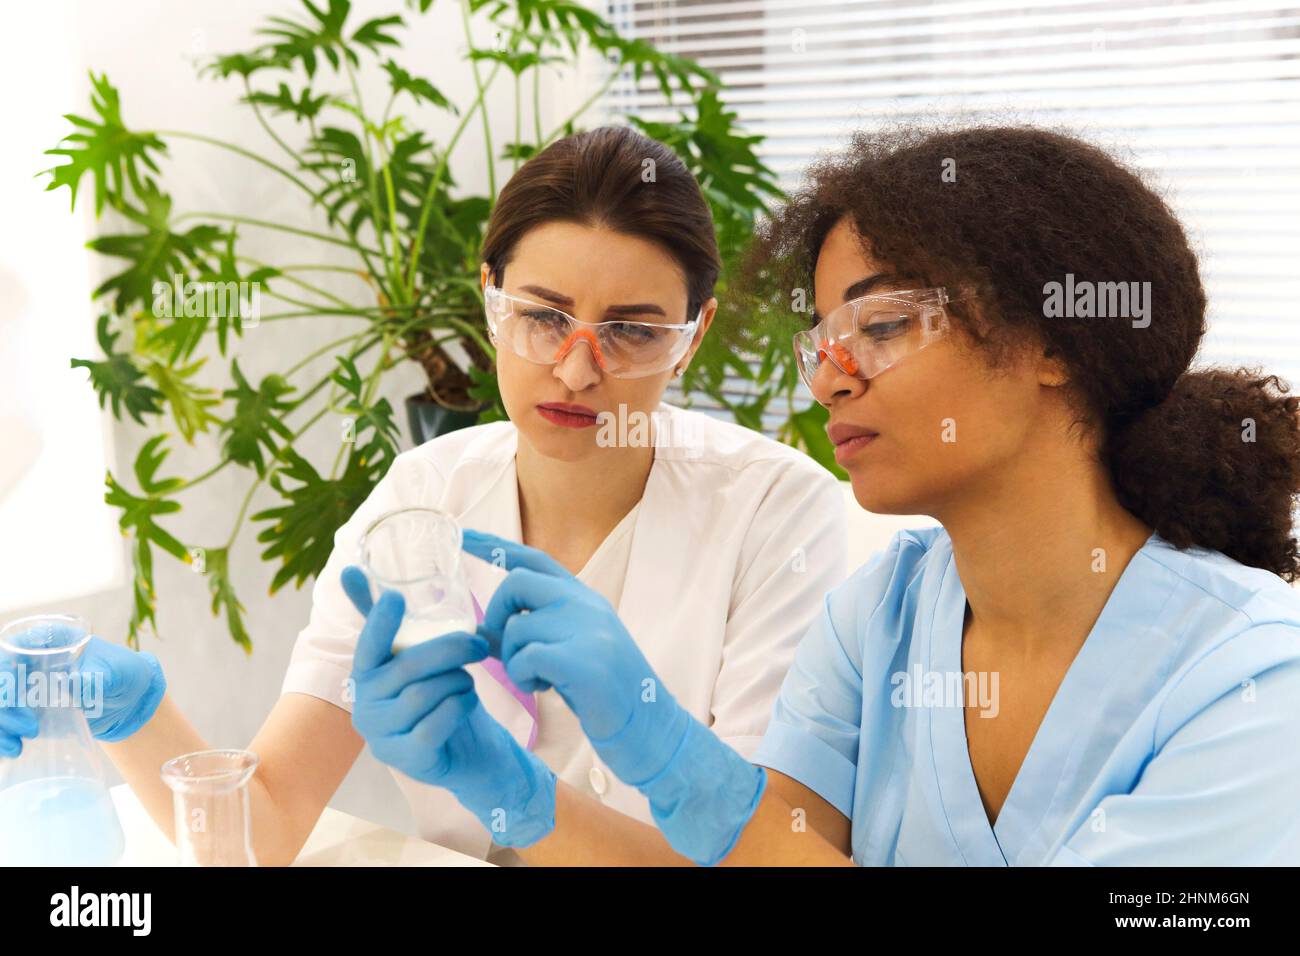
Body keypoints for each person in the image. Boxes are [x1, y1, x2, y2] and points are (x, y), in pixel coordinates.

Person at [335, 124, 1300, 865]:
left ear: (1054, 340)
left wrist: (668, 749)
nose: (829, 380)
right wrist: (517, 796)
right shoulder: (878, 618)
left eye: (880, 326)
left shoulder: (1253, 681)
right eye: (823, 341)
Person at [0, 126, 846, 866]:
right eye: (542, 316)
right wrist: (136, 716)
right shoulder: (420, 500)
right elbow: (265, 826)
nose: (577, 370)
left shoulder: (776, 513)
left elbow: (770, 860)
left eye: (631, 331)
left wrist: (523, 797)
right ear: (490, 300)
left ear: (692, 337)